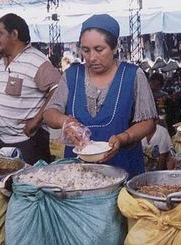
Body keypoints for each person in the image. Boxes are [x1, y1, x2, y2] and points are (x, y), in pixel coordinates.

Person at [43, 14, 157, 177]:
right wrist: (65, 122)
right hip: (78, 172)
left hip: (123, 166)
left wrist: (123, 138)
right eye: (85, 50)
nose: (91, 58)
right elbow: (49, 113)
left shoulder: (132, 75)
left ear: (115, 48)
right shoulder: (72, 76)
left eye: (99, 49)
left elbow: (148, 122)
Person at [0, 13, 61, 165]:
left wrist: (36, 120)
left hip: (30, 142)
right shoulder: (0, 65)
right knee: (7, 186)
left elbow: (58, 89)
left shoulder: (36, 60)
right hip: (4, 142)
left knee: (29, 186)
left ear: (14, 34)